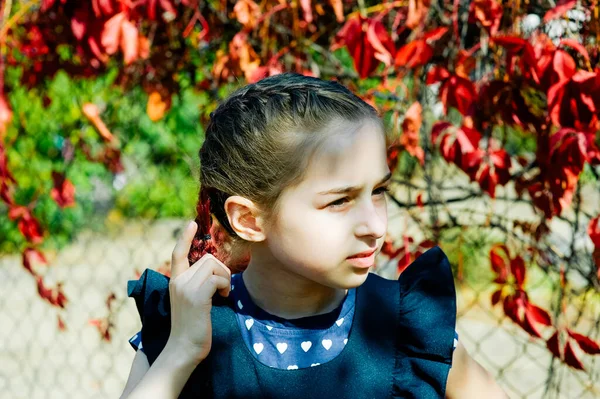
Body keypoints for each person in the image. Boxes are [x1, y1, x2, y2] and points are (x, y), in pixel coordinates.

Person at [119, 73, 508, 398]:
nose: (375, 225)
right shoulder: (188, 329)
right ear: (249, 220)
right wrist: (181, 351)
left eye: (379, 192)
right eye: (339, 201)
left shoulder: (404, 329)